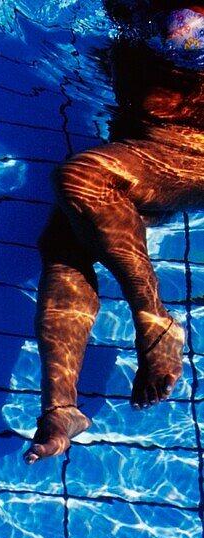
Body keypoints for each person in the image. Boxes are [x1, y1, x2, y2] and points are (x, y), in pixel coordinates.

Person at [24, 1, 204, 463]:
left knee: (81, 179)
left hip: (193, 153)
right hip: (138, 141)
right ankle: (60, 409)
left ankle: (155, 317)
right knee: (65, 241)